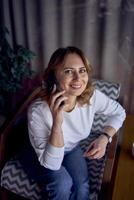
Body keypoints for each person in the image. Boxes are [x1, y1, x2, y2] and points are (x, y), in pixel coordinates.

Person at [22, 46, 126, 200]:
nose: (78, 78)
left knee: (82, 186)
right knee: (62, 184)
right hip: (41, 156)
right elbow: (52, 164)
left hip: (71, 149)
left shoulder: (91, 97)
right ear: (53, 77)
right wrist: (57, 122)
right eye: (68, 71)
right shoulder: (38, 112)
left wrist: (105, 137)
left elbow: (119, 112)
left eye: (82, 70)